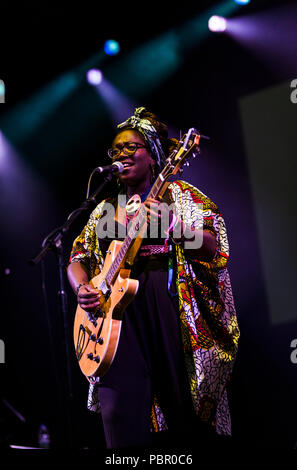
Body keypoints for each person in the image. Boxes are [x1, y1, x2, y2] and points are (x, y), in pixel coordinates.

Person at [67, 107, 240, 450]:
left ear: (154, 154)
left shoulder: (180, 197)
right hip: (115, 318)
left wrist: (174, 227)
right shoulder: (106, 209)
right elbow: (77, 257)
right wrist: (82, 288)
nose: (121, 155)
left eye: (131, 147)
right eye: (116, 150)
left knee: (182, 411)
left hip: (167, 304)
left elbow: (211, 246)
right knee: (118, 416)